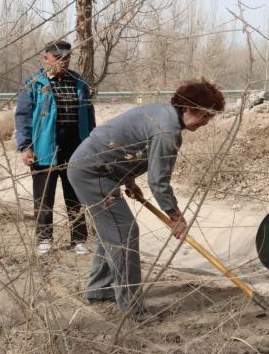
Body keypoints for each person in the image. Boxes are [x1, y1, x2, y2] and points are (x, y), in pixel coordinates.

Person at [68, 78, 225, 322]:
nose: (206, 122)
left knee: (111, 232)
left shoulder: (161, 112)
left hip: (97, 167)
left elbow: (128, 146)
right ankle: (132, 309)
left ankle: (99, 289)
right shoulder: (167, 131)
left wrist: (128, 179)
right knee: (125, 233)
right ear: (189, 108)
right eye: (205, 116)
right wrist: (175, 217)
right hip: (93, 171)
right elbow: (158, 182)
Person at [15, 40, 96, 255]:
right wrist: (25, 147)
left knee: (75, 193)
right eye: (58, 58)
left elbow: (89, 115)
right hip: (44, 146)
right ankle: (44, 238)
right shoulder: (34, 83)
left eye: (67, 58)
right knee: (43, 194)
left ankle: (79, 239)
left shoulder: (79, 82)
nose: (63, 62)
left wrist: (92, 145)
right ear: (46, 58)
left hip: (75, 147)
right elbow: (23, 117)